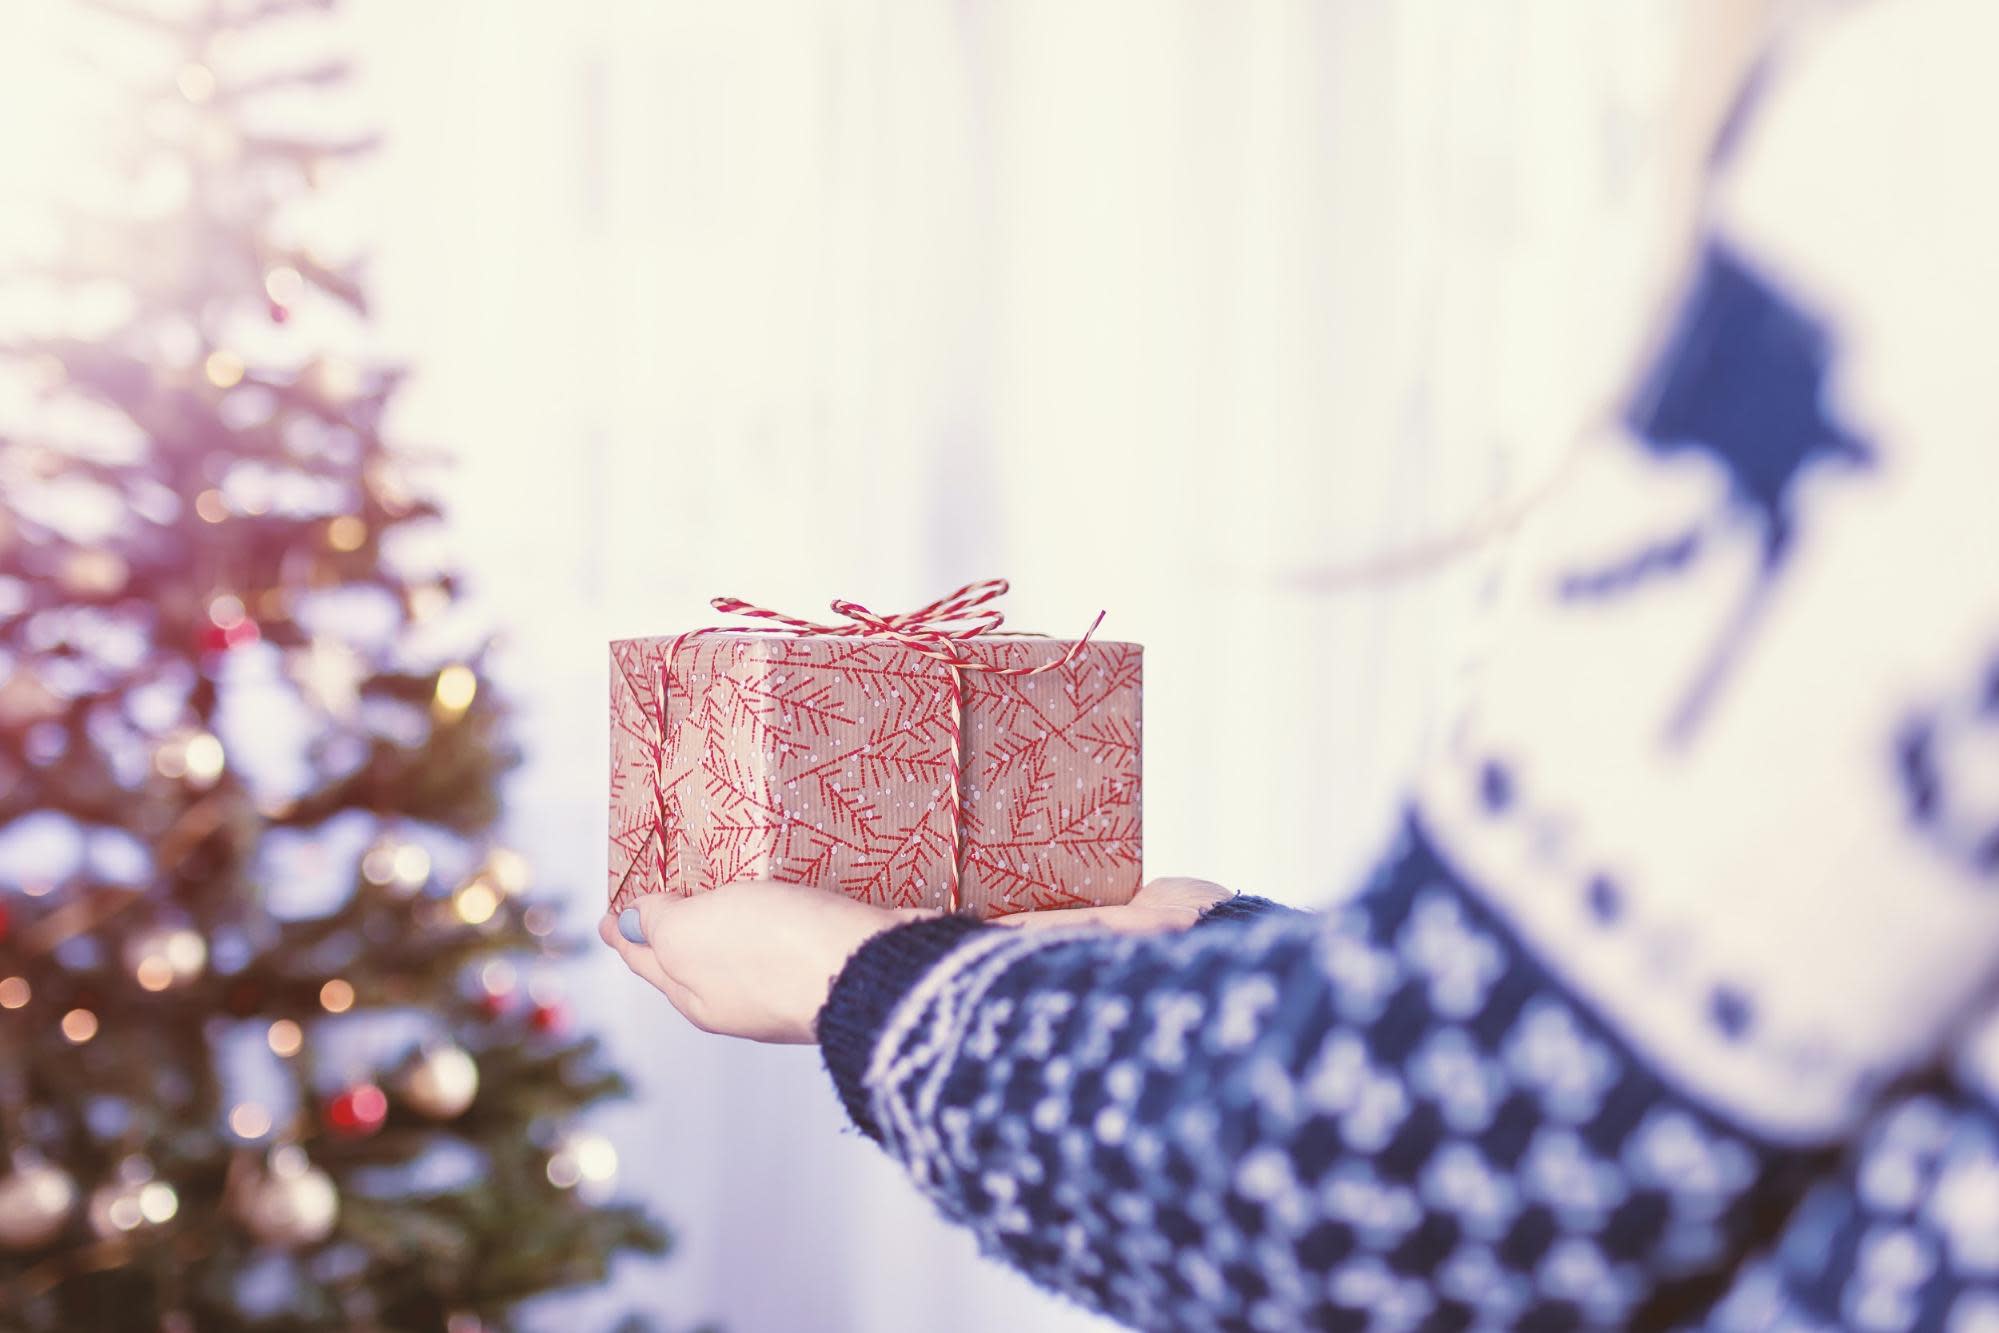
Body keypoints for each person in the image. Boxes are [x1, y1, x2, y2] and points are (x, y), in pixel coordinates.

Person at [602, 1, 1999, 1327]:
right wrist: (1237, 949)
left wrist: (846, 973)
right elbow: (1648, 1056)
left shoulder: (1927, 142)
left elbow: (1405, 1168)